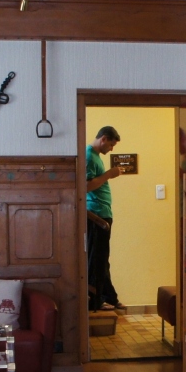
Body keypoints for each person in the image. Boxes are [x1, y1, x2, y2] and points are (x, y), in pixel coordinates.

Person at [85, 126, 123, 311]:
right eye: (111, 145)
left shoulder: (95, 156)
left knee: (102, 258)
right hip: (96, 215)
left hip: (103, 213)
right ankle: (95, 301)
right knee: (97, 260)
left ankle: (109, 297)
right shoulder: (89, 157)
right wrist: (109, 174)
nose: (111, 149)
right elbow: (85, 186)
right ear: (104, 139)